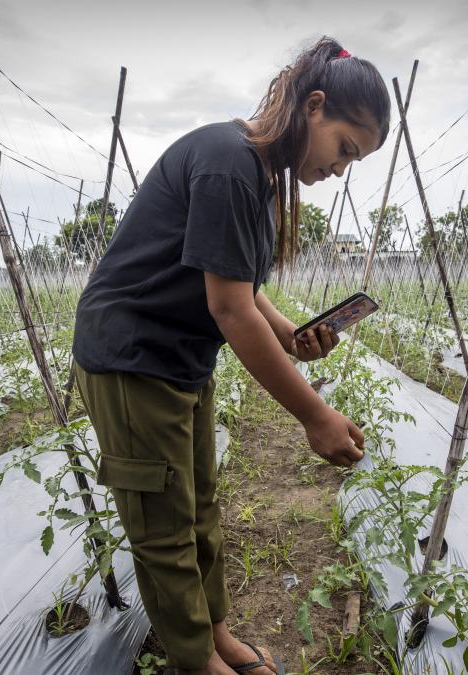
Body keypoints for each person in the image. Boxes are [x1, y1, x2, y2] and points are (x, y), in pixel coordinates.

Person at [72, 36, 390, 675]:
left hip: (180, 358)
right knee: (164, 528)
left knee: (199, 508)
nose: (340, 169)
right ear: (315, 106)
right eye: (345, 149)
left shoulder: (259, 172)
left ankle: (214, 635)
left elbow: (244, 289)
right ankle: (197, 663)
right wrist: (314, 415)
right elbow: (229, 309)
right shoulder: (227, 162)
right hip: (134, 358)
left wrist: (289, 333)